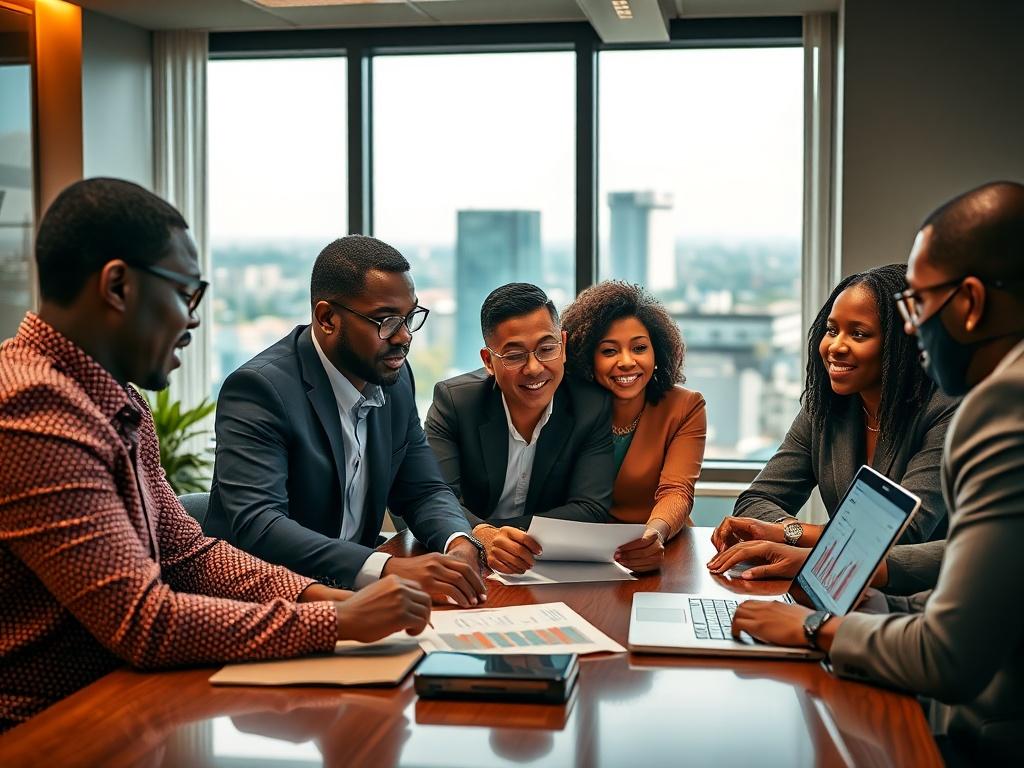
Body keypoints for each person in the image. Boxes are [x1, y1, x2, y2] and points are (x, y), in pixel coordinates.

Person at [0, 179, 431, 733]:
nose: (194, 320)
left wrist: (320, 595)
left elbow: (189, 556)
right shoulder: (32, 410)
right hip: (49, 728)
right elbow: (143, 621)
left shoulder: (119, 400)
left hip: (126, 702)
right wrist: (334, 619)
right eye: (186, 294)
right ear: (118, 286)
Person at [719, 181, 1024, 761]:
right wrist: (864, 590)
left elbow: (948, 651)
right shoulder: (831, 408)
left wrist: (811, 628)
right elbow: (975, 560)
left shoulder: (1000, 406)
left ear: (972, 302)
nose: (914, 326)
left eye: (919, 303)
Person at [206, 236, 487, 606]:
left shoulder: (395, 378)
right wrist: (385, 568)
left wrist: (459, 541)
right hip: (267, 604)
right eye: (386, 320)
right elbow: (261, 525)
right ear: (327, 318)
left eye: (409, 317)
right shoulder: (259, 390)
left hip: (360, 598)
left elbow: (424, 490)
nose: (403, 337)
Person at [713, 264, 957, 558]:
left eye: (858, 334)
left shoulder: (946, 411)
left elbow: (904, 533)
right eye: (831, 330)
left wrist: (791, 535)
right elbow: (756, 500)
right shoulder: (826, 408)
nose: (835, 346)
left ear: (902, 343)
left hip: (927, 595)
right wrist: (791, 532)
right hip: (843, 587)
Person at [424, 283, 613, 575]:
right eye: (514, 356)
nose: (534, 368)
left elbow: (590, 509)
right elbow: (434, 496)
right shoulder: (455, 402)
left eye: (546, 349)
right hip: (463, 565)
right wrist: (480, 538)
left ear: (562, 346)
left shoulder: (590, 406)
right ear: (488, 361)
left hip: (541, 567)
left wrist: (492, 534)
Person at [560, 281, 706, 573]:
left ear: (657, 353)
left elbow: (676, 491)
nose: (627, 362)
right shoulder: (566, 405)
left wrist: (655, 533)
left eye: (639, 348)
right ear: (587, 357)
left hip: (659, 551)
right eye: (609, 351)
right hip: (583, 554)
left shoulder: (685, 406)